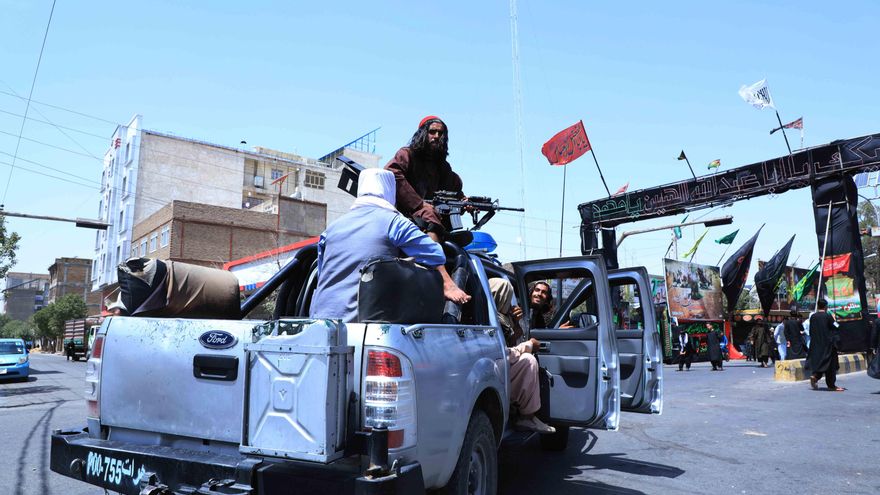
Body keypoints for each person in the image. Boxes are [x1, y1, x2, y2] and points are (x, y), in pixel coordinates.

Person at [310, 169, 467, 322]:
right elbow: (434, 253)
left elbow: (322, 271)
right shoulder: (394, 223)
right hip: (363, 325)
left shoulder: (331, 229)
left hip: (318, 323)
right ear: (390, 191)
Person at [488, 278, 555, 434]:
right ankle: (527, 416)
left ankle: (528, 416)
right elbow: (502, 352)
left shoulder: (506, 316)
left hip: (501, 367)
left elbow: (512, 340)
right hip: (495, 370)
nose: (540, 294)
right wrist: (529, 345)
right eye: (537, 290)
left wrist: (515, 322)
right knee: (528, 360)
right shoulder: (489, 318)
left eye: (544, 292)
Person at [385, 116, 463, 243]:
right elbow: (392, 173)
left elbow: (453, 189)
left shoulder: (442, 166)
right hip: (406, 211)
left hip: (433, 213)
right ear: (423, 133)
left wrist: (465, 202)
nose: (437, 136)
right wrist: (418, 203)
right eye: (432, 132)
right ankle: (436, 261)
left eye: (440, 133)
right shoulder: (407, 154)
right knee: (429, 213)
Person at [807, 299, 845, 391]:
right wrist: (835, 320)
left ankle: (815, 376)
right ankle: (831, 385)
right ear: (825, 306)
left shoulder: (813, 317)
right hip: (828, 345)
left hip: (815, 344)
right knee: (831, 365)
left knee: (820, 362)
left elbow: (811, 331)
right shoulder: (828, 316)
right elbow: (836, 326)